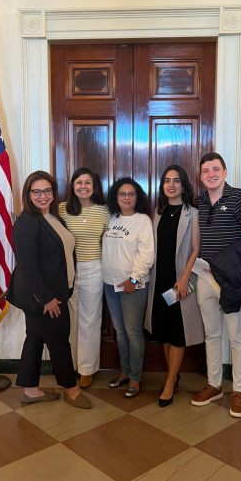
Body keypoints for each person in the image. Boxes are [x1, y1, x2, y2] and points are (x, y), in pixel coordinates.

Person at [6, 170, 91, 409]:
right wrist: (47, 299)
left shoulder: (53, 217)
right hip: (43, 297)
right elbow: (28, 265)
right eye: (37, 191)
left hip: (56, 291)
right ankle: (72, 390)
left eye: (47, 191)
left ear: (53, 193)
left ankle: (30, 390)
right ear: (28, 194)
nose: (43, 196)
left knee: (34, 338)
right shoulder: (26, 222)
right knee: (59, 341)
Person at [192, 153, 241, 417]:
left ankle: (240, 392)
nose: (211, 174)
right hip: (205, 277)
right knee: (212, 334)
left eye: (216, 169)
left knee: (237, 337)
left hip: (232, 279)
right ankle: (215, 385)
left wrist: (228, 263)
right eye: (206, 170)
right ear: (201, 176)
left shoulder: (240, 197)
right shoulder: (200, 201)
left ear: (225, 171)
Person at [145, 165, 204, 407]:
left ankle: (169, 382)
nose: (171, 185)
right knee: (164, 333)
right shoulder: (157, 213)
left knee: (178, 333)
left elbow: (196, 249)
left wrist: (184, 278)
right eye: (167, 181)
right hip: (159, 280)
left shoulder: (193, 213)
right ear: (162, 186)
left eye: (176, 181)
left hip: (181, 281)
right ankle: (174, 374)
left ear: (183, 185)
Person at [58, 168, 111, 389]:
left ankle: (87, 368)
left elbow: (110, 241)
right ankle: (70, 364)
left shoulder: (104, 211)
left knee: (90, 319)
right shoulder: (61, 209)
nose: (83, 186)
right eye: (79, 182)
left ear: (94, 186)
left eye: (87, 183)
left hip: (94, 268)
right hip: (67, 269)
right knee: (70, 318)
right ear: (72, 185)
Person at [102, 178, 154, 398]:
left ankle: (135, 377)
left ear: (137, 197)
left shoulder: (142, 221)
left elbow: (147, 254)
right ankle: (124, 372)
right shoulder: (111, 218)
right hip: (110, 283)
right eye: (122, 194)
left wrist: (133, 280)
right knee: (120, 331)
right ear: (116, 197)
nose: (126, 198)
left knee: (133, 332)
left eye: (131, 194)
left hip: (133, 285)